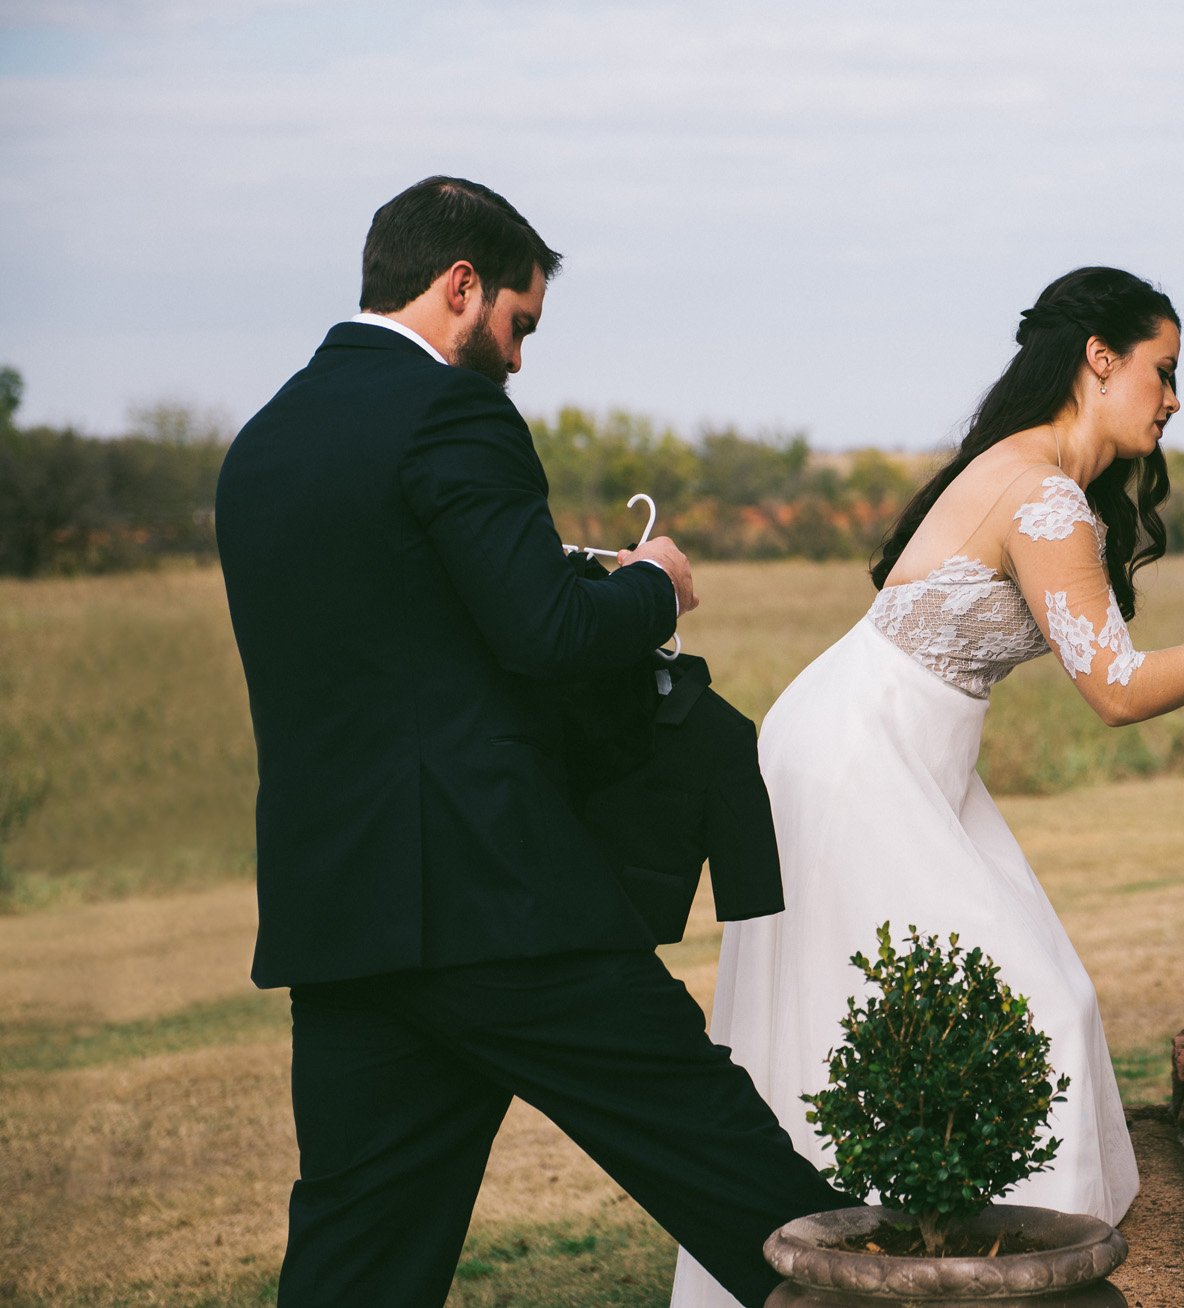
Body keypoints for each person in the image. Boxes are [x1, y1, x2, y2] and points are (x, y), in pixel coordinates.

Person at [214, 175, 853, 1308]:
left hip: (343, 918)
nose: (518, 358)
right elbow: (548, 633)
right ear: (460, 285)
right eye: (518, 324)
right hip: (497, 896)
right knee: (736, 1172)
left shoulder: (264, 442)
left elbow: (403, 638)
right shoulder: (452, 413)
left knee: (357, 1256)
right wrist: (653, 587)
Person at [671, 266, 1184, 1308]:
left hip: (917, 755)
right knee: (1002, 1002)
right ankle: (948, 1271)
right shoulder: (1039, 494)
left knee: (1039, 993)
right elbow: (1118, 691)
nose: (1174, 399)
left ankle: (972, 1251)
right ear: (1099, 360)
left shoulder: (1046, 482)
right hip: (857, 757)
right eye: (1162, 371)